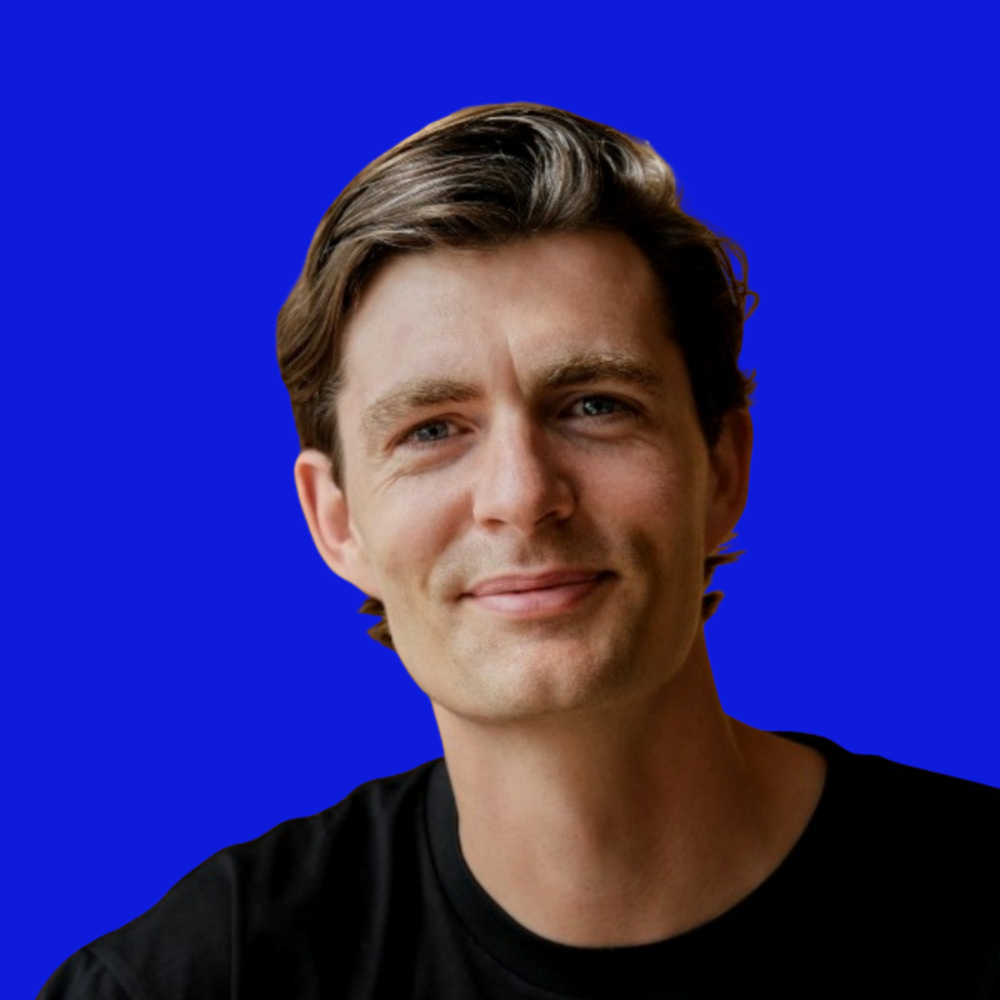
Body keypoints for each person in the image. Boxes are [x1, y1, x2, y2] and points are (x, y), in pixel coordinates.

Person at [39, 103, 1000, 999]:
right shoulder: (195, 980)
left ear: (723, 468)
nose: (521, 496)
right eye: (431, 430)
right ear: (336, 521)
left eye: (596, 406)